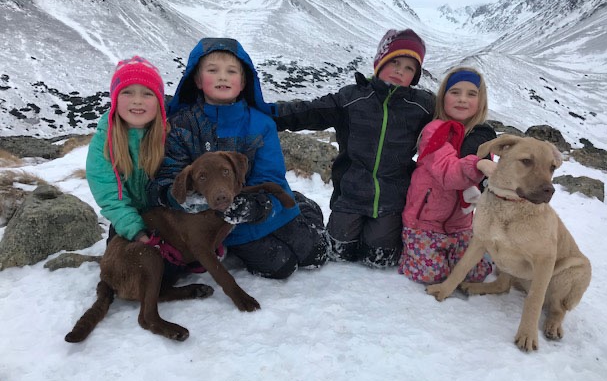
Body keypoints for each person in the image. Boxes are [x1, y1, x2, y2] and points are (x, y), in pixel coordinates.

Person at [272, 29, 493, 269]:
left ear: (415, 76)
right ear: (380, 62)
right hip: (350, 195)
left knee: (380, 257)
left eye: (409, 68)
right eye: (395, 62)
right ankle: (308, 208)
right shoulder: (351, 98)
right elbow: (309, 111)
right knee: (338, 252)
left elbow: (458, 123)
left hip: (392, 199)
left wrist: (483, 138)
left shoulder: (421, 105)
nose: (400, 71)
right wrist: (266, 114)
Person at [148, 38, 329, 280]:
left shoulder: (261, 124)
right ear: (197, 80)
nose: (222, 77)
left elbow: (270, 175)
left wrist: (256, 207)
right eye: (212, 70)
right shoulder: (181, 126)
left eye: (231, 71)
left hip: (267, 208)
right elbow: (170, 175)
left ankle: (303, 206)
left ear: (244, 82)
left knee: (315, 254)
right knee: (281, 267)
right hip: (221, 225)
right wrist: (179, 197)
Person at [398, 66, 496, 285]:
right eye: (455, 92)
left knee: (476, 275)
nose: (462, 99)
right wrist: (479, 164)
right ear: (443, 97)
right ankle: (408, 254)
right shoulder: (435, 130)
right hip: (424, 223)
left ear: (481, 101)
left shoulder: (481, 135)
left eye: (471, 94)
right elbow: (449, 174)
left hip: (460, 225)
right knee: (430, 275)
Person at [86, 55, 167, 247]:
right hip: (126, 221)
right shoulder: (103, 142)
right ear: (114, 99)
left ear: (159, 101)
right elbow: (109, 195)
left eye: (147, 94)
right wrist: (137, 231)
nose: (137, 101)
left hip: (166, 218)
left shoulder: (171, 135)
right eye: (127, 92)